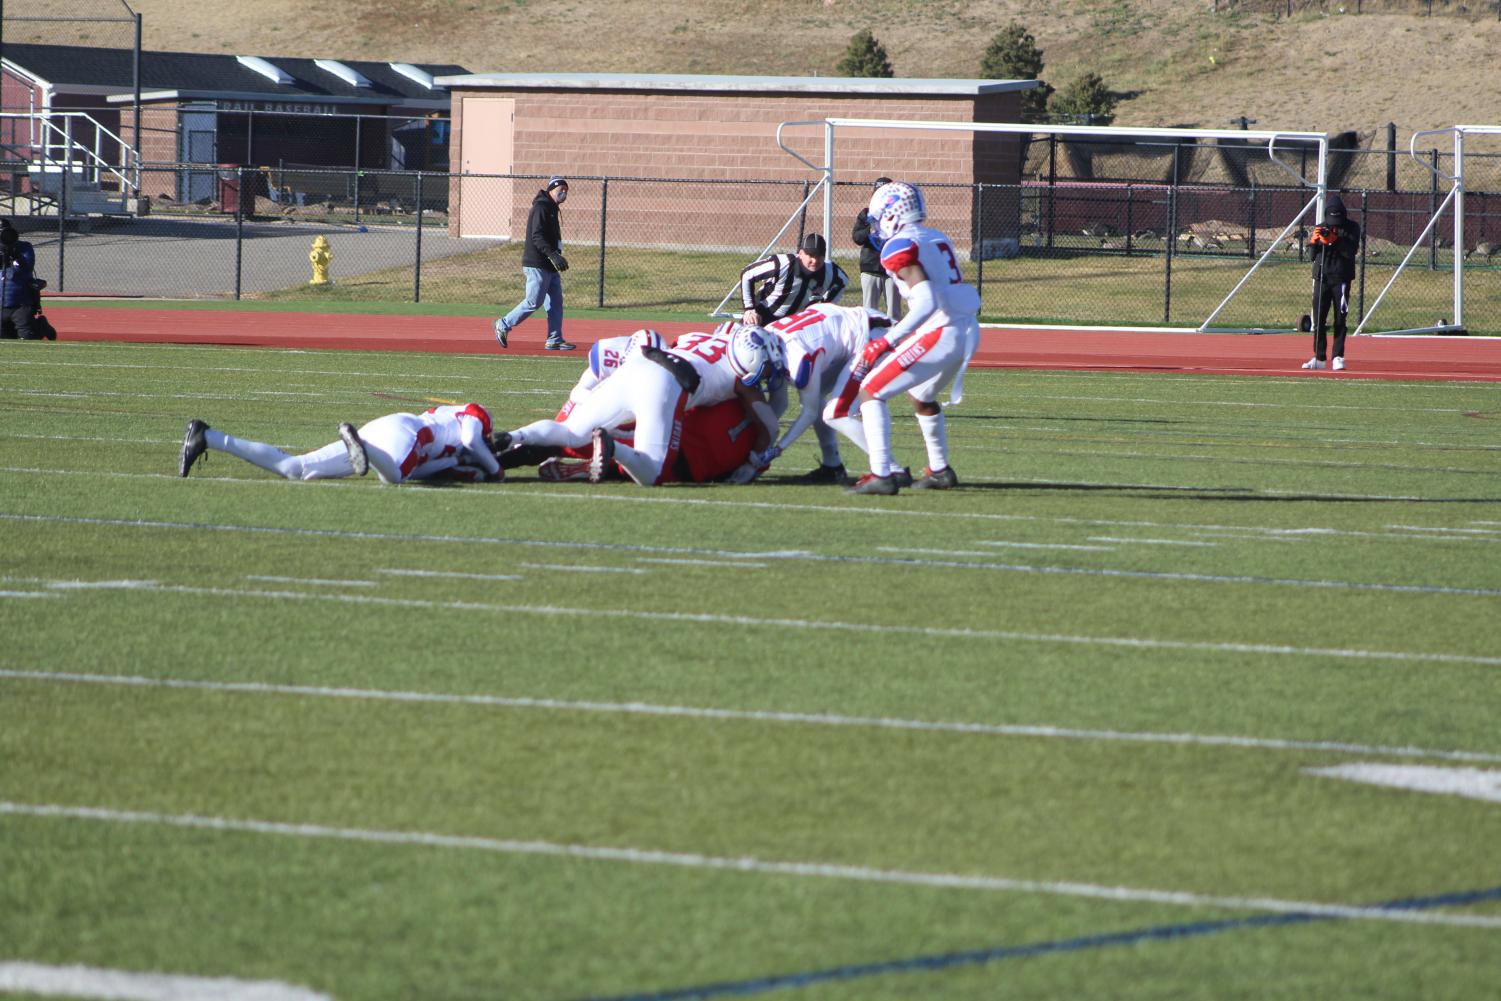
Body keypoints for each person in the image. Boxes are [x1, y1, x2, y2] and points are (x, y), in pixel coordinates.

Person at [495, 325, 784, 486]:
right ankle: (613, 447)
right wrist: (751, 467)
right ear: (752, 366)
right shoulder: (742, 382)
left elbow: (680, 344)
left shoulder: (702, 337)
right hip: (666, 385)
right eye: (767, 369)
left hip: (639, 363)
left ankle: (515, 436)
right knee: (653, 472)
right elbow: (769, 428)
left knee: (569, 431)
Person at [846, 181, 982, 495]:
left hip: (941, 330)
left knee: (870, 391)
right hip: (966, 330)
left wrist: (888, 340)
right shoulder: (936, 236)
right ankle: (939, 469)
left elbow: (926, 302)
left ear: (891, 214)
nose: (876, 225)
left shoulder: (898, 246)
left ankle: (881, 474)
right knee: (921, 396)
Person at [179, 404, 503, 484]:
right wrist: (495, 469)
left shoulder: (453, 458)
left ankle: (208, 436)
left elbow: (423, 470)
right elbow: (470, 437)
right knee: (394, 478)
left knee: (297, 469)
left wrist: (461, 468)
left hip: (386, 432)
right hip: (407, 432)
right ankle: (357, 442)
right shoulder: (477, 416)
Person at [493, 176, 575, 351]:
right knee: (533, 301)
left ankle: (554, 339)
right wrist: (553, 255)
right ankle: (503, 324)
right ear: (551, 189)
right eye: (560, 188)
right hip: (537, 263)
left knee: (555, 303)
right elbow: (536, 236)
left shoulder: (552, 208)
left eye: (566, 190)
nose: (564, 192)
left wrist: (557, 256)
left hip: (549, 265)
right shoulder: (541, 207)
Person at [1301, 194, 1360, 372]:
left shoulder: (1352, 228)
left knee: (1340, 319)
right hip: (1322, 278)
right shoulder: (1321, 227)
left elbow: (1351, 252)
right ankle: (1319, 357)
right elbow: (1312, 257)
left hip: (1341, 279)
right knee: (1318, 319)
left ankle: (1338, 356)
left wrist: (1335, 241)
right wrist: (1313, 243)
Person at [739, 233, 847, 328]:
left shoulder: (831, 273)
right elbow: (747, 274)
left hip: (794, 325)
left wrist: (824, 308)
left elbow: (843, 281)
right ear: (800, 254)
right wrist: (749, 310)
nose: (814, 261)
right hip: (763, 317)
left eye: (819, 256)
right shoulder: (783, 264)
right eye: (810, 255)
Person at [852, 177, 901, 322]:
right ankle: (869, 340)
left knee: (894, 313)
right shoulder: (866, 214)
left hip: (892, 269)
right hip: (871, 267)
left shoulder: (898, 215)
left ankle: (895, 342)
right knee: (869, 312)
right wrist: (870, 229)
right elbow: (857, 238)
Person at [0, 219, 40, 341]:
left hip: (21, 303)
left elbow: (26, 269)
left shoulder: (24, 247)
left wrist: (14, 254)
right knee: (5, 337)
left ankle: (42, 327)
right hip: (1, 302)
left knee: (27, 336)